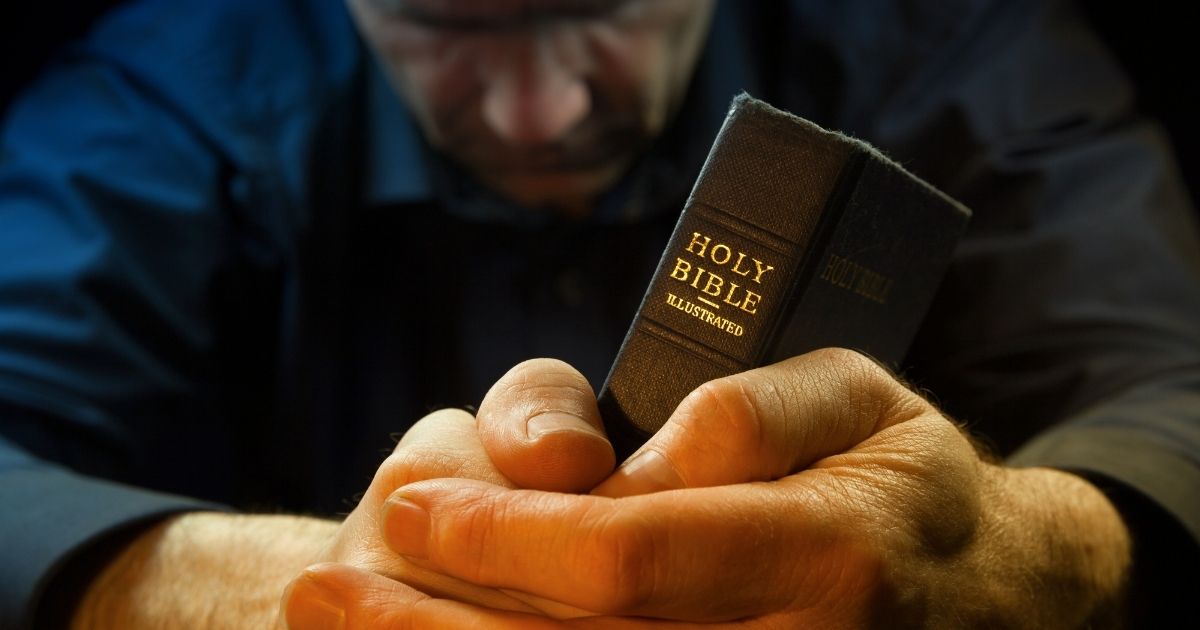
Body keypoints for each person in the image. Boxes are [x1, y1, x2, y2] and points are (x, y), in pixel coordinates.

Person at [1, 0, 1197, 627]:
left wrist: (1016, 562)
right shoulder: (169, 86)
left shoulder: (948, 36)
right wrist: (298, 589)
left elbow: (1176, 390)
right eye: (443, 25)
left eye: (608, 8)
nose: (539, 112)